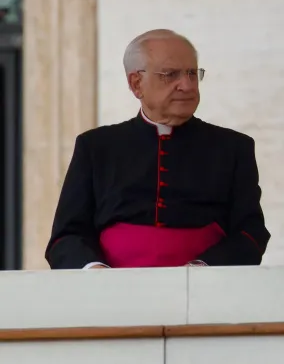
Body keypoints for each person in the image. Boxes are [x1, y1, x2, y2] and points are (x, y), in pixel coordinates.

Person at [45, 29, 270, 269]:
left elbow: (250, 233)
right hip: (111, 293)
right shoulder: (96, 147)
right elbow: (65, 236)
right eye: (170, 74)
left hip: (206, 292)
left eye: (192, 73)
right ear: (136, 83)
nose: (186, 85)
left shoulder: (233, 148)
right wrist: (94, 271)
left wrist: (204, 269)